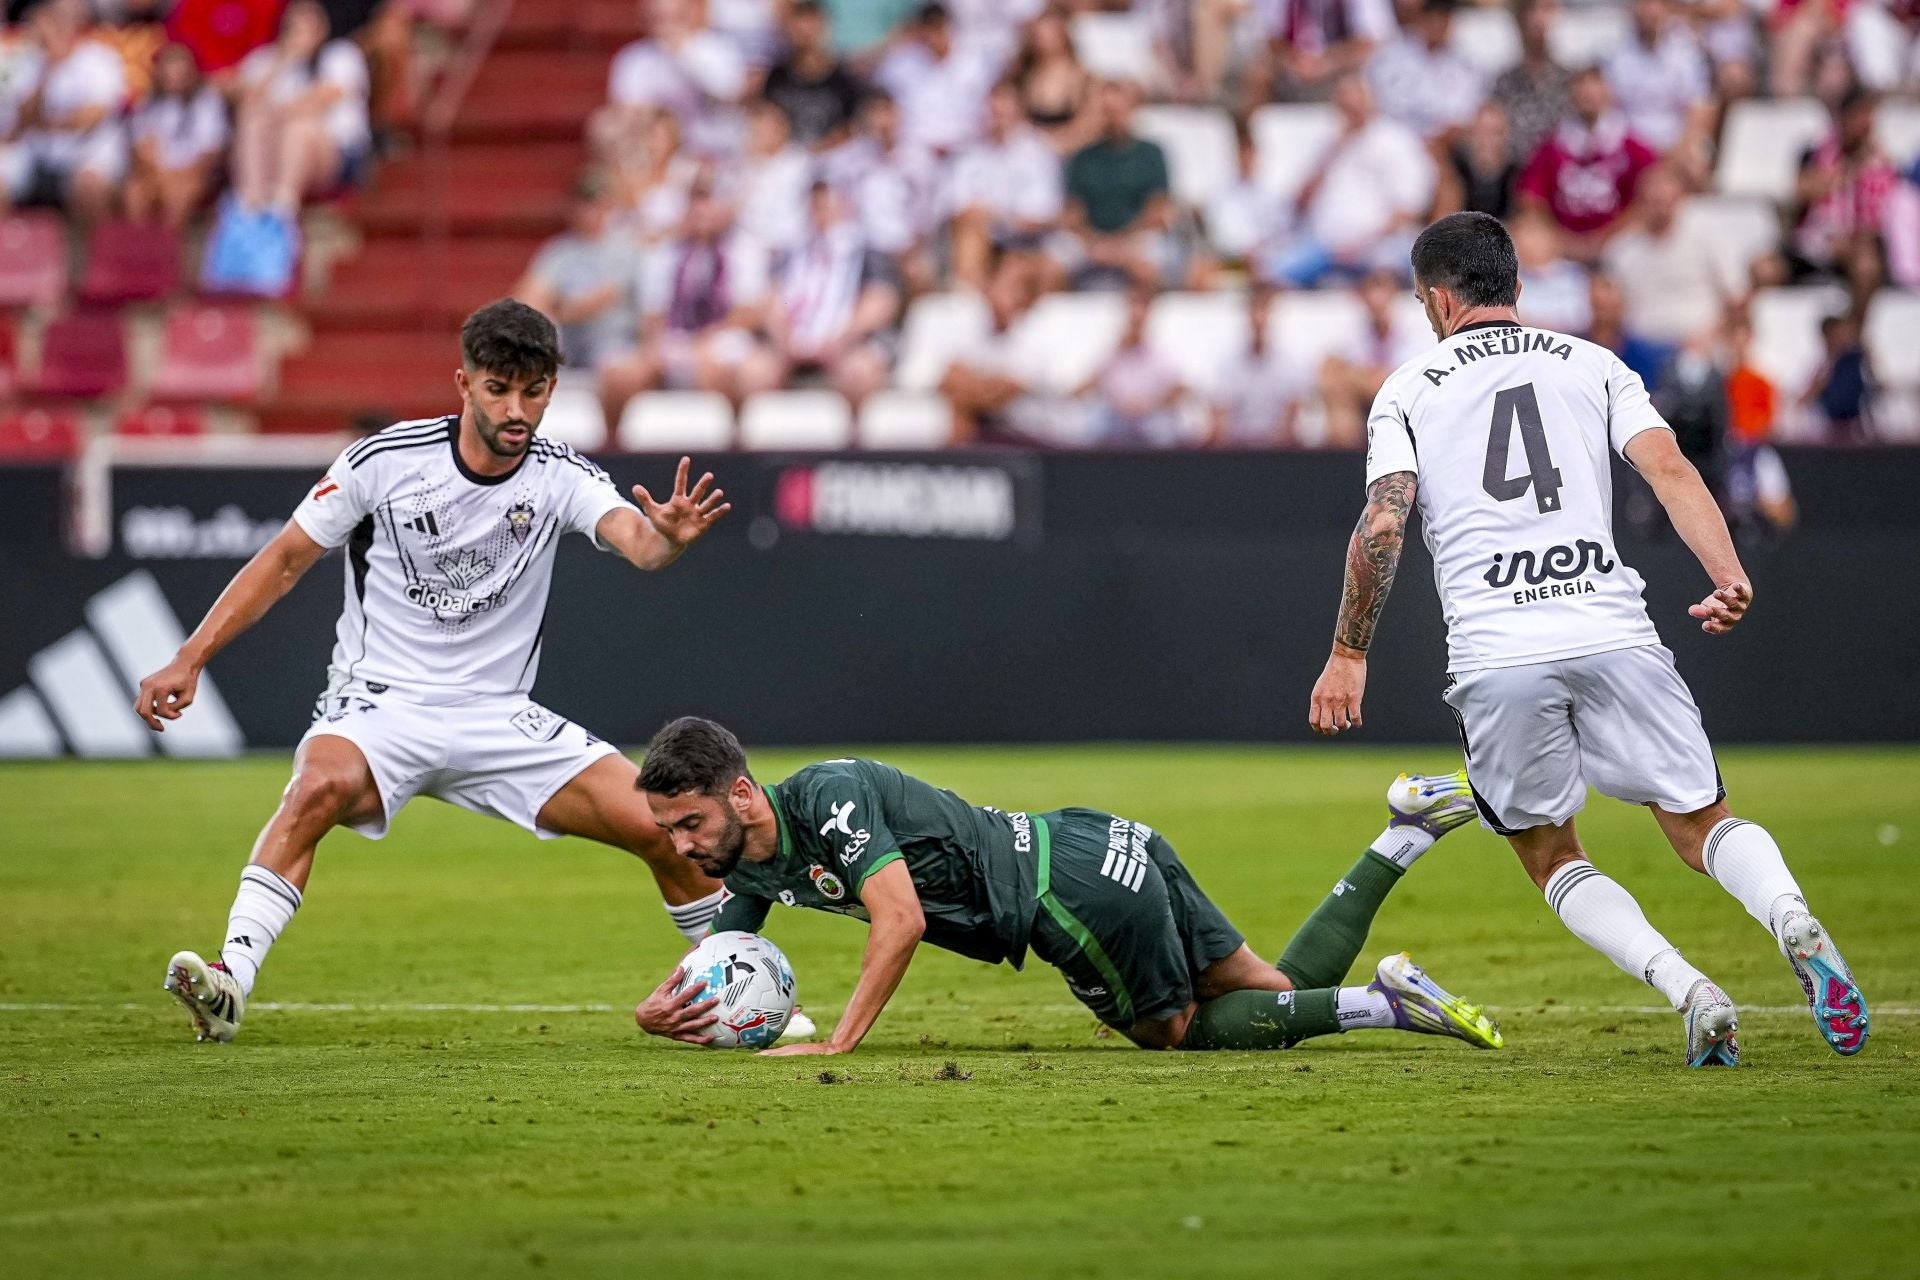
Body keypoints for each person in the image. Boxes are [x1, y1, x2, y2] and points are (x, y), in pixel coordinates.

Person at [1305, 212, 1870, 1067]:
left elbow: (1384, 520)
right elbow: (1671, 467)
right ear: (1518, 289)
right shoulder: (1593, 363)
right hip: (1611, 626)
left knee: (1550, 853)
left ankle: (1694, 992)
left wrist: (1349, 653)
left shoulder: (1408, 388)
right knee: (1699, 823)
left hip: (1498, 653)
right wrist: (1728, 575)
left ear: (1436, 297)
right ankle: (1790, 914)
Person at [141, 301, 739, 1045]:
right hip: (380, 706)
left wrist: (668, 539)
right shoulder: (382, 462)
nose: (518, 410)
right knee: (316, 788)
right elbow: (286, 558)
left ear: (553, 386)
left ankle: (739, 992)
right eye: (499, 389)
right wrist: (190, 656)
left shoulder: (560, 475)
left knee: (660, 825)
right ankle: (231, 981)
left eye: (535, 390)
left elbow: (638, 545)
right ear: (463, 383)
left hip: (497, 713)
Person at [631, 716, 1504, 1057]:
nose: (682, 845)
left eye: (690, 823)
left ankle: (1386, 1004)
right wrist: (665, 1005)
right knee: (1272, 996)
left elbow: (896, 920)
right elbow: (725, 952)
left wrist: (836, 1045)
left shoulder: (828, 796)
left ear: (741, 791)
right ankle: (1402, 832)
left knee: (1175, 1034)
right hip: (1095, 839)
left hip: (1064, 894)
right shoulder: (741, 855)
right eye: (669, 831)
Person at [230, 0, 372, 214]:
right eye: (294, 28)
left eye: (308, 28)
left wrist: (276, 113)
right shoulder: (266, 59)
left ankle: (283, 207)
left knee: (299, 127)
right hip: (274, 152)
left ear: (322, 29)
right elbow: (245, 104)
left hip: (336, 154)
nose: (301, 34)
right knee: (253, 123)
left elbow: (323, 98)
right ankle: (250, 202)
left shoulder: (341, 54)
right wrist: (285, 60)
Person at [0, 0, 129, 225]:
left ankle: (90, 256)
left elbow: (90, 119)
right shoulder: (27, 61)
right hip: (35, 151)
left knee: (90, 186)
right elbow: (21, 120)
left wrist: (46, 123)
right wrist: (47, 70)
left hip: (86, 150)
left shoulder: (100, 59)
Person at [1514, 67, 1657, 261]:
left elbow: (1650, 193)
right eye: (1582, 91)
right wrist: (1559, 237)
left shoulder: (1630, 145)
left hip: (1617, 243)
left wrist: (1608, 237)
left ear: (1608, 93)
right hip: (1563, 246)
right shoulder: (1554, 146)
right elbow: (1530, 198)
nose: (1588, 97)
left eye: (1594, 90)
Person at [121, 40, 226, 227]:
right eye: (168, 71)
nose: (173, 77)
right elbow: (141, 147)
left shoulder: (206, 102)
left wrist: (177, 175)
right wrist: (158, 172)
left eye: (179, 72)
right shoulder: (148, 104)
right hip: (155, 171)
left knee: (178, 192)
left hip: (191, 173)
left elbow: (211, 152)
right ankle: (137, 246)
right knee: (134, 191)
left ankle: (167, 248)